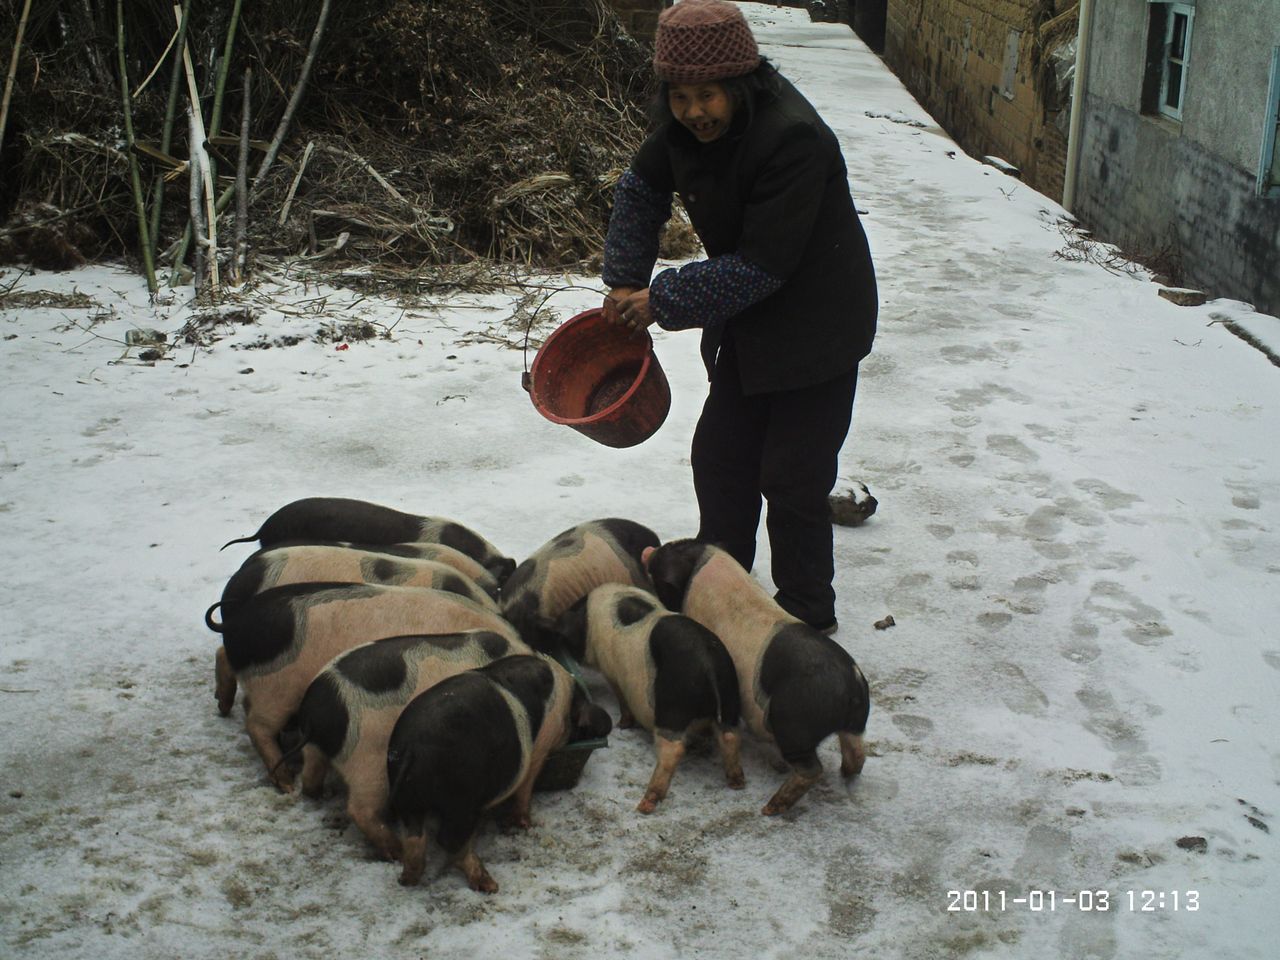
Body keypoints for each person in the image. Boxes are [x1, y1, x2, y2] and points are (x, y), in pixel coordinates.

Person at [601, 0, 877, 634]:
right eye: (680, 97)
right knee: (721, 460)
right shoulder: (678, 133)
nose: (695, 111)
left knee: (792, 477)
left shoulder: (792, 137)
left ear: (740, 84)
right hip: (747, 321)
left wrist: (661, 300)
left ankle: (807, 613)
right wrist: (623, 281)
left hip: (818, 325)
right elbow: (640, 192)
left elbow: (763, 265)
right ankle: (718, 589)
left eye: (709, 96)